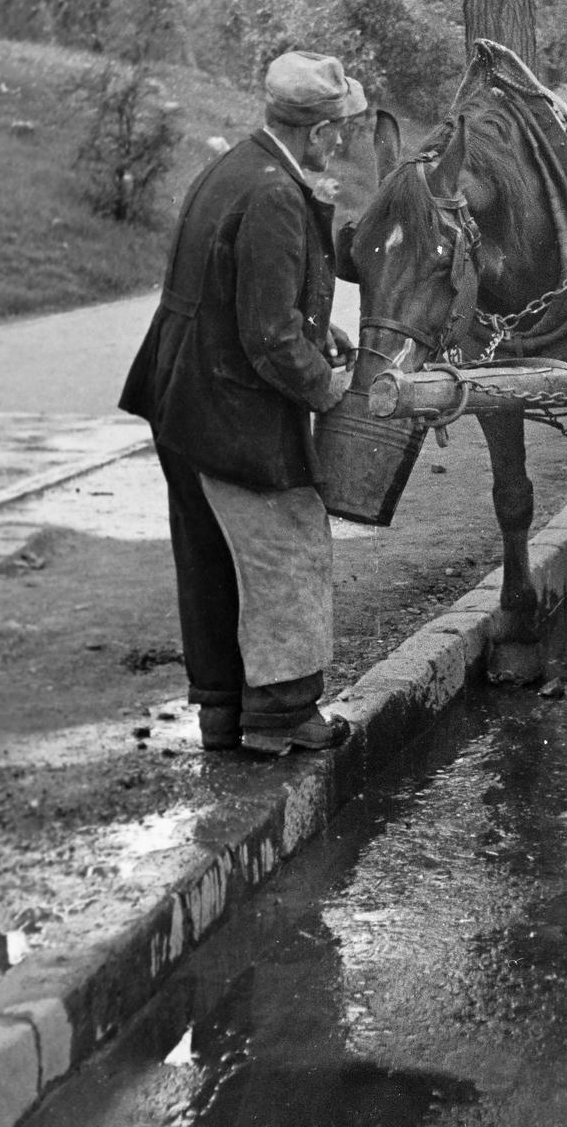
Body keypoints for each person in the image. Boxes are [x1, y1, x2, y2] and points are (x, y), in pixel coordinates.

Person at [120, 51, 368, 755]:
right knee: (283, 546)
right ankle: (284, 714)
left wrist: (319, 328)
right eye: (339, 129)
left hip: (185, 396)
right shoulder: (275, 195)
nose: (343, 141)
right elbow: (267, 336)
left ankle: (223, 715)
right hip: (232, 408)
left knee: (211, 562)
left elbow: (240, 293)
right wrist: (327, 384)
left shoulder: (236, 166)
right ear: (316, 134)